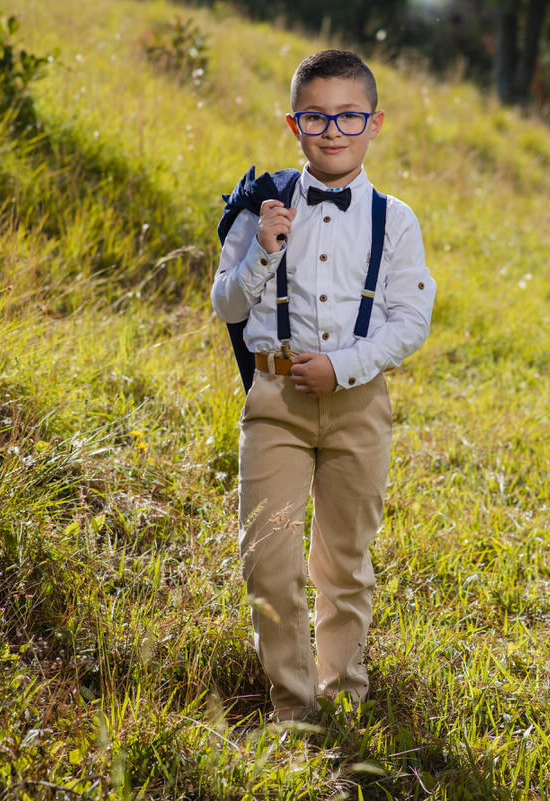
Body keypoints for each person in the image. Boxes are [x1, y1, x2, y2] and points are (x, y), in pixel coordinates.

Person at [212, 49, 436, 723]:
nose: (332, 130)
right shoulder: (263, 205)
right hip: (274, 405)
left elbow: (411, 318)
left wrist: (344, 366)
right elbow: (226, 304)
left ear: (375, 124)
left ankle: (345, 697)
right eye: (316, 116)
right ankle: (295, 707)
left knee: (343, 564)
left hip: (357, 405)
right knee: (269, 557)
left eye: (349, 116)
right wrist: (264, 250)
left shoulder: (394, 219)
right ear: (293, 123)